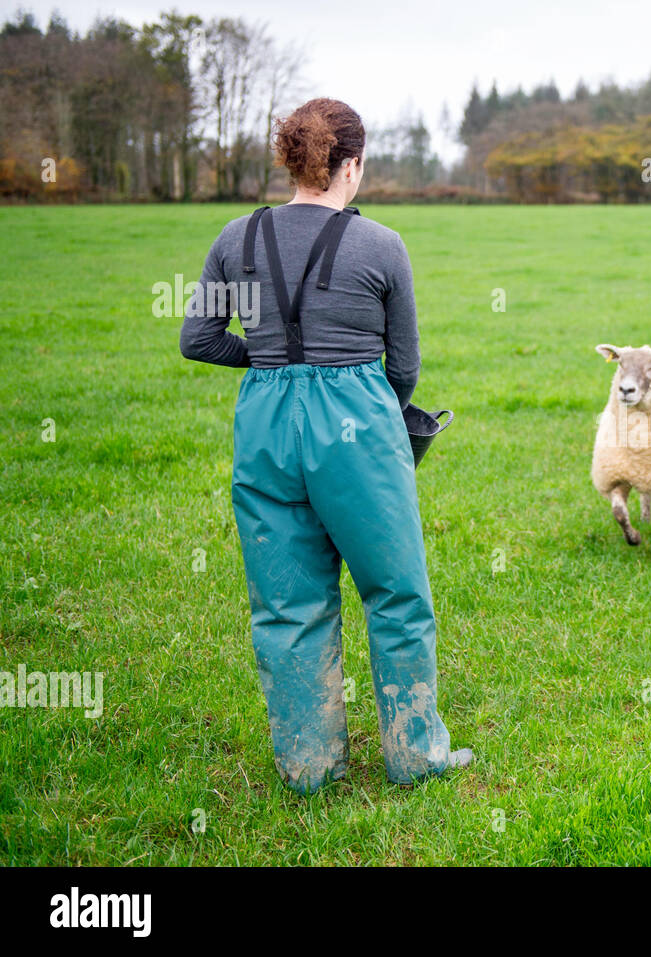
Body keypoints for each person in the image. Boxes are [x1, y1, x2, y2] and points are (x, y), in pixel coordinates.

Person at [180, 96, 471, 794]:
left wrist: (273, 361)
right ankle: (414, 755)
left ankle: (309, 767)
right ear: (354, 165)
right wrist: (369, 411)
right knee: (396, 592)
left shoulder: (236, 237)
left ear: (290, 161)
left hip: (266, 423)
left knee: (286, 601)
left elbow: (198, 339)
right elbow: (404, 367)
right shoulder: (381, 245)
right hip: (357, 421)